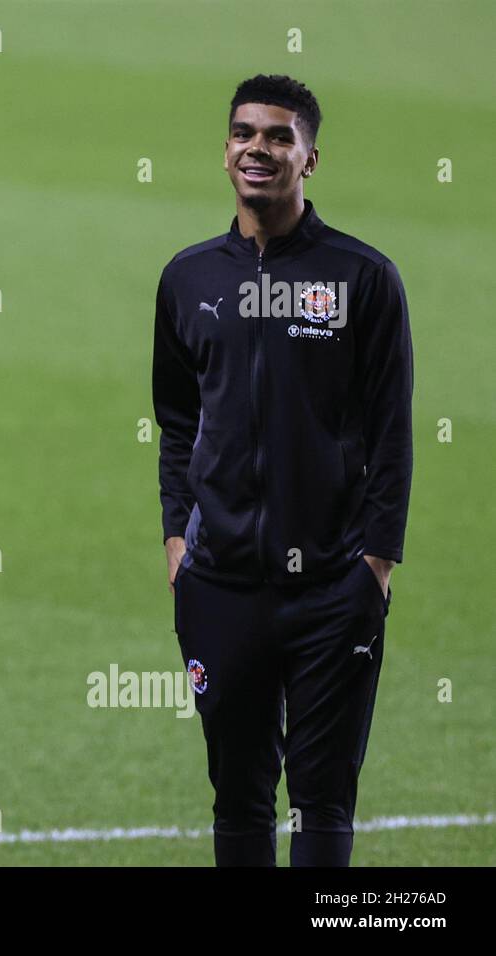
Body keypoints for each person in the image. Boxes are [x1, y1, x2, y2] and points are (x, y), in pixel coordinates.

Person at [153, 76, 413, 866]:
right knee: (237, 798)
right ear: (225, 150)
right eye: (243, 134)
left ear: (310, 158)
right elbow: (176, 423)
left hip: (334, 584)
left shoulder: (362, 277)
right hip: (220, 583)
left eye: (277, 137)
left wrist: (374, 564)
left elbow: (393, 433)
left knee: (324, 800)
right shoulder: (190, 277)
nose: (257, 149)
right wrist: (177, 542)